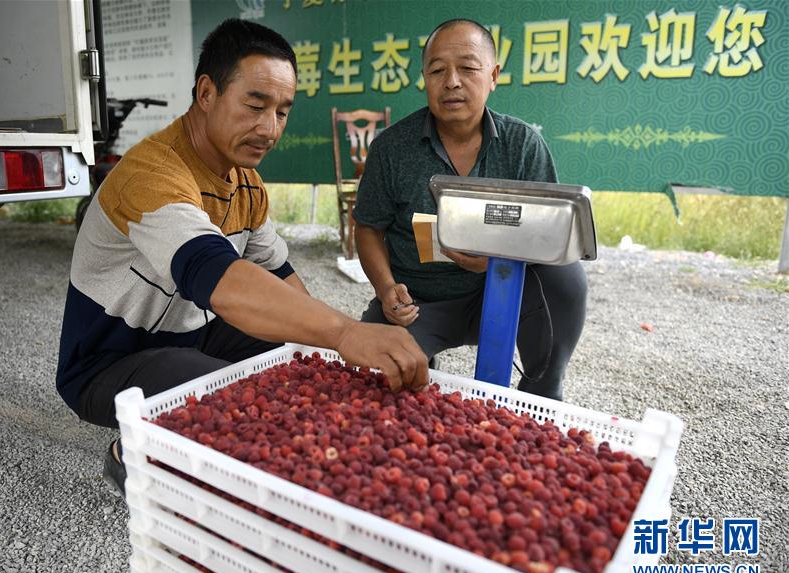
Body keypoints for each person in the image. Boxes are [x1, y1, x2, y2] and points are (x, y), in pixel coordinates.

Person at [56, 18, 428, 496]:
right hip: (106, 365)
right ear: (207, 93)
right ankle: (132, 447)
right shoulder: (151, 175)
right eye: (255, 105)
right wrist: (346, 331)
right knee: (242, 401)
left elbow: (279, 276)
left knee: (301, 369)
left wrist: (328, 349)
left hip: (193, 339)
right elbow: (219, 277)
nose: (268, 128)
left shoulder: (245, 183)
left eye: (282, 112)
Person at [353, 18, 587, 401]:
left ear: (493, 75)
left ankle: (541, 392)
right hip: (417, 303)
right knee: (370, 384)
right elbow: (367, 228)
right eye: (437, 70)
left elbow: (550, 236)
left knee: (566, 276)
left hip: (502, 293)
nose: (452, 82)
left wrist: (498, 259)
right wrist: (386, 290)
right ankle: (419, 364)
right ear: (424, 78)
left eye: (467, 67)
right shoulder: (391, 148)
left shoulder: (523, 145)